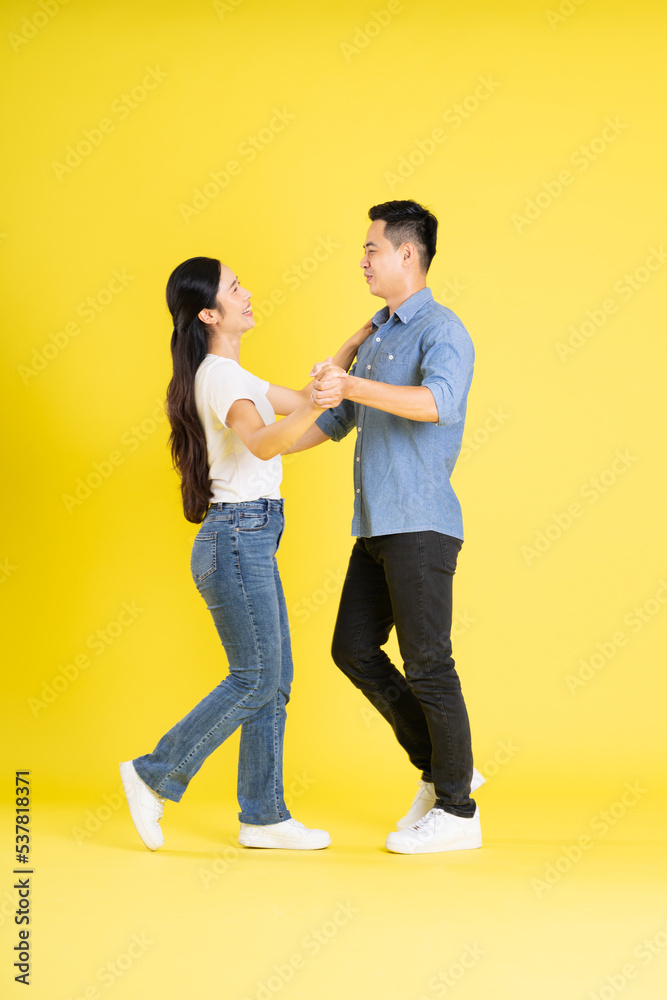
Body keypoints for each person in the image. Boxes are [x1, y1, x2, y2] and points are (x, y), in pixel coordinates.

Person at [120, 255, 366, 852]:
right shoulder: (222, 379)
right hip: (237, 537)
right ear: (209, 313)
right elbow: (264, 443)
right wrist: (320, 404)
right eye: (235, 287)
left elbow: (305, 404)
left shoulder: (234, 376)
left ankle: (264, 815)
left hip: (247, 536)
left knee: (273, 680)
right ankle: (153, 772)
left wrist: (357, 342)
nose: (248, 292)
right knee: (255, 676)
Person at [285, 200, 484, 855]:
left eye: (372, 248)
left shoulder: (441, 329)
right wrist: (262, 442)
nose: (363, 259)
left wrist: (351, 384)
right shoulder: (374, 337)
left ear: (408, 254)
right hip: (375, 527)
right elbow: (338, 420)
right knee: (351, 650)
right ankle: (445, 766)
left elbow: (437, 404)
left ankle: (457, 811)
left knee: (428, 664)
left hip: (421, 525)